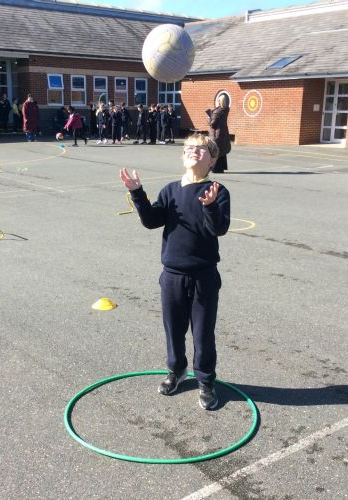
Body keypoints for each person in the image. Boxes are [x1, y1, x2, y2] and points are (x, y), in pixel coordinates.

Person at [119, 133, 231, 410]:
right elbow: (151, 221)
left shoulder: (217, 190)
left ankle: (206, 380)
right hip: (172, 275)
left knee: (203, 333)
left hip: (204, 276)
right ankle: (177, 370)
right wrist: (137, 193)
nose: (194, 151)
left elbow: (219, 229)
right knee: (173, 329)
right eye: (189, 148)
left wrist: (210, 206)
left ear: (212, 160)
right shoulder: (170, 190)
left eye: (201, 149)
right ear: (183, 156)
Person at [207, 95, 231, 173]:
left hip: (216, 134)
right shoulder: (226, 109)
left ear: (220, 101)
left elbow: (212, 124)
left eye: (218, 100)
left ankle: (215, 168)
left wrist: (209, 117)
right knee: (222, 151)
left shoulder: (217, 111)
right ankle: (221, 168)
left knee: (215, 151)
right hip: (223, 133)